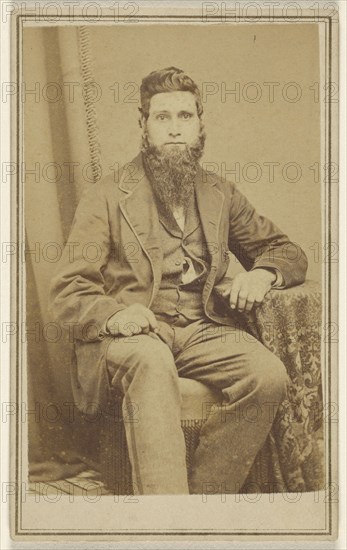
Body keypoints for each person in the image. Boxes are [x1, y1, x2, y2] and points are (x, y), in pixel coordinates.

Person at [50, 66, 308, 495]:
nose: (174, 130)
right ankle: (166, 516)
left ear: (200, 126)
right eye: (162, 118)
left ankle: (200, 506)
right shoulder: (108, 194)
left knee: (268, 375)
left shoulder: (219, 192)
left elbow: (287, 250)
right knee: (152, 363)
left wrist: (264, 272)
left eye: (184, 118)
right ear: (144, 126)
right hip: (136, 332)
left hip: (201, 328)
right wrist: (117, 314)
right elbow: (67, 291)